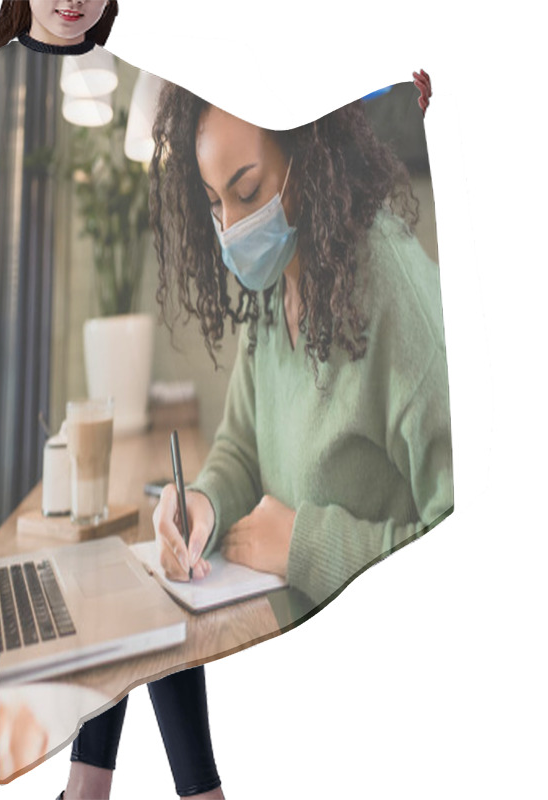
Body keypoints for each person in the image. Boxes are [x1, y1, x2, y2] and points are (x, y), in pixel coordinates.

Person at [0, 2, 224, 798]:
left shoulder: (129, 88)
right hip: (22, 426)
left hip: (90, 416)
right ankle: (158, 791)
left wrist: (390, 114)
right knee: (125, 586)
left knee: (134, 582)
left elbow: (244, 148)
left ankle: (96, 789)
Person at [147, 81, 453, 610]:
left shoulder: (393, 291)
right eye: (215, 201)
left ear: (308, 152)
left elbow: (465, 537)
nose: (232, 229)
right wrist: (203, 504)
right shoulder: (273, 286)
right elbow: (242, 451)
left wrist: (307, 547)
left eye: (247, 192)